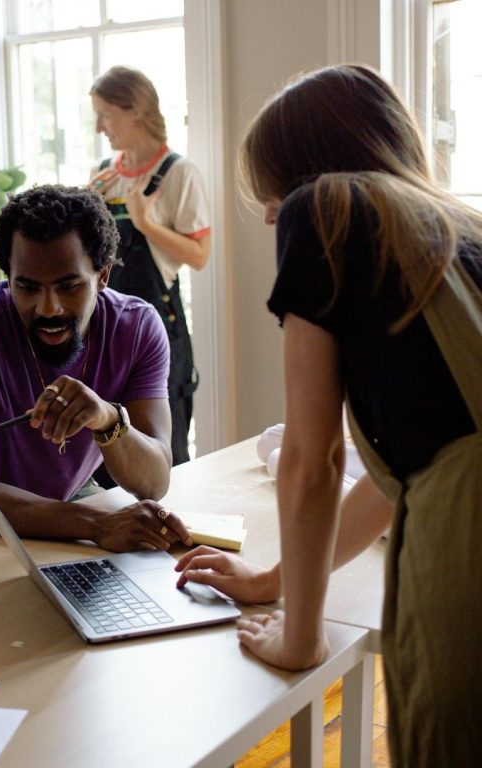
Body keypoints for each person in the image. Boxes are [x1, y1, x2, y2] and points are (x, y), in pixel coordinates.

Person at [175, 64, 482, 765]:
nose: (267, 214)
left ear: (305, 169)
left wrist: (300, 635)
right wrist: (272, 581)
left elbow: (315, 461)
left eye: (271, 189)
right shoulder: (461, 228)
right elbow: (406, 470)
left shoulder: (325, 206)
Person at [0, 184, 193, 564]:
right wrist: (96, 524)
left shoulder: (137, 327)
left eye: (69, 286)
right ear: (7, 275)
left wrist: (108, 419)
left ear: (103, 274)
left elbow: (154, 482)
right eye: (26, 287)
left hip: (69, 496)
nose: (48, 308)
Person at [88, 66, 210, 467]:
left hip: (158, 330)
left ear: (135, 111)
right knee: (105, 451)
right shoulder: (104, 174)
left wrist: (145, 224)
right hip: (103, 331)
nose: (99, 127)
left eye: (105, 114)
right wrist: (85, 205)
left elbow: (199, 255)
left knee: (163, 449)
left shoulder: (179, 174)